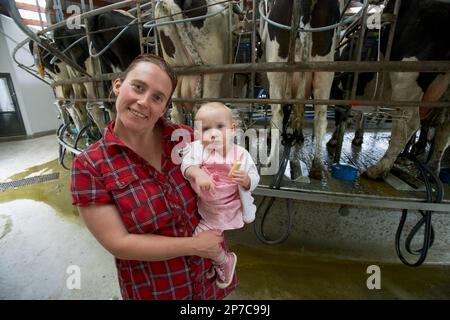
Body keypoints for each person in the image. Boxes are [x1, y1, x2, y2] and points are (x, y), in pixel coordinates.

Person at [70, 54, 237, 300]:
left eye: (157, 98)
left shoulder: (187, 139)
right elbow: (118, 243)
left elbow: (227, 167)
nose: (143, 102)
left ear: (164, 107)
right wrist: (195, 247)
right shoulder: (89, 166)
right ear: (118, 85)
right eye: (138, 87)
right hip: (158, 288)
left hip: (209, 275)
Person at [181, 102, 260, 289]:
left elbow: (255, 177)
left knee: (200, 239)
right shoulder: (198, 148)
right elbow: (187, 164)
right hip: (208, 206)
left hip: (227, 207)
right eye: (206, 129)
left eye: (219, 127)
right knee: (206, 240)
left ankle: (224, 261)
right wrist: (197, 173)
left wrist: (247, 180)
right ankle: (215, 262)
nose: (213, 133)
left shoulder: (240, 154)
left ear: (233, 129)